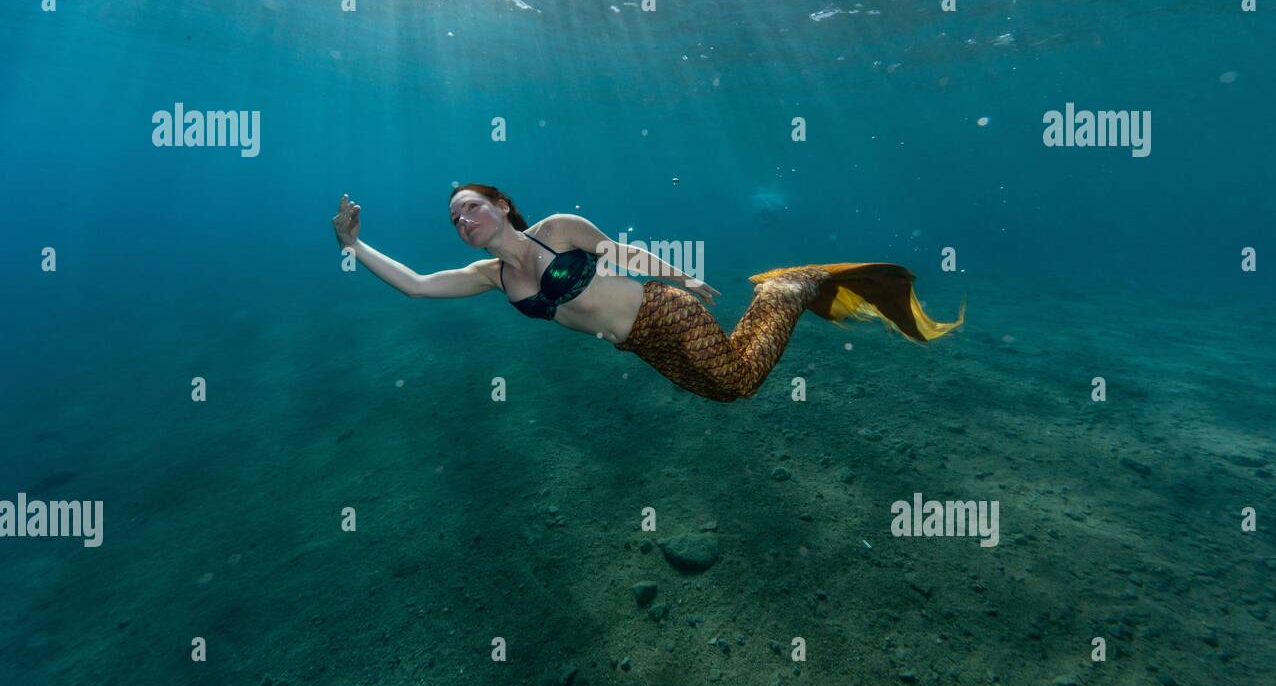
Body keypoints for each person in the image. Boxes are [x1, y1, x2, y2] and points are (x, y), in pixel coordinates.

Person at [331, 183, 964, 402]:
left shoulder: (556, 229)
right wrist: (354, 247)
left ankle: (786, 287)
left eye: (471, 208)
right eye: (455, 220)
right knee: (724, 392)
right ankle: (781, 293)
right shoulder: (488, 278)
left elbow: (620, 253)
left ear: (500, 206)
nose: (464, 221)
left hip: (662, 310)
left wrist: (678, 276)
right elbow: (415, 287)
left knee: (739, 381)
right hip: (633, 344)